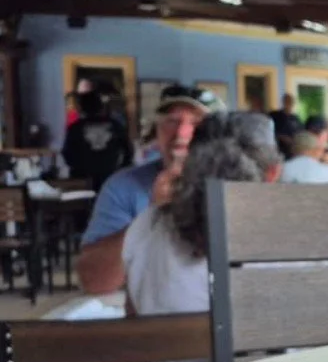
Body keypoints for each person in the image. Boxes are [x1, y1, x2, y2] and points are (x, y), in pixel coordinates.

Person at [123, 113, 281, 315]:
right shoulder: (295, 233)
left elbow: (132, 312)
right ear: (272, 173)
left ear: (187, 165)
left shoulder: (147, 223)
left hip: (169, 345)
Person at [76, 84, 219, 295]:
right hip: (149, 317)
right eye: (171, 121)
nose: (181, 133)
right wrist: (151, 215)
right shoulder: (123, 186)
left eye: (196, 123)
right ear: (157, 130)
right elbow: (95, 282)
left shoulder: (236, 185)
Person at [61, 91, 132, 192]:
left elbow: (67, 153)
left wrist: (78, 169)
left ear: (82, 107)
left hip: (83, 180)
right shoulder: (115, 125)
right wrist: (120, 170)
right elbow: (128, 151)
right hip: (110, 176)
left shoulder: (75, 128)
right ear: (101, 106)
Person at [268, 93, 303, 159]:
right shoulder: (275, 116)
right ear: (283, 102)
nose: (289, 104)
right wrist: (282, 137)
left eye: (291, 102)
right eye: (287, 101)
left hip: (293, 152)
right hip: (278, 150)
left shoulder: (296, 119)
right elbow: (269, 131)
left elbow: (301, 133)